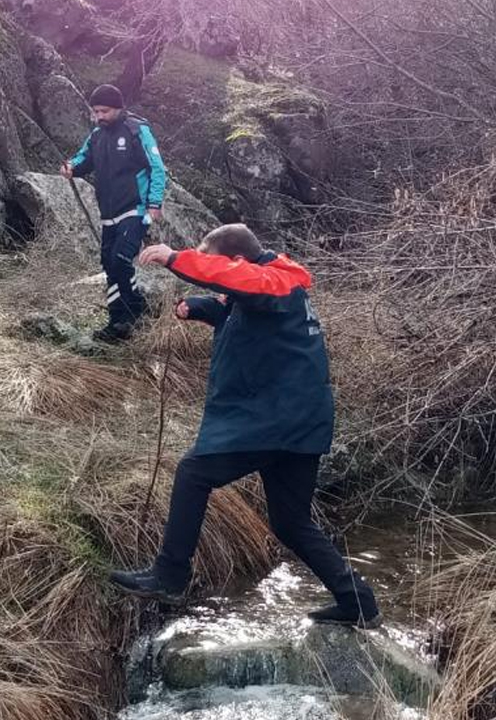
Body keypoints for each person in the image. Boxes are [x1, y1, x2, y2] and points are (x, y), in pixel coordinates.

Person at [108, 223, 382, 629]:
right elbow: (239, 307)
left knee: (193, 473)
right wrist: (199, 308)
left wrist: (174, 259)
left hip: (276, 421)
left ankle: (170, 576)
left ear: (236, 260)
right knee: (291, 523)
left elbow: (244, 286)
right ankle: (357, 601)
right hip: (298, 422)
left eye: (215, 264)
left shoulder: (275, 282)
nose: (214, 273)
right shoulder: (275, 287)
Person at [60, 83, 167, 343]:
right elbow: (83, 159)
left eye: (104, 111)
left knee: (120, 259)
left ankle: (131, 315)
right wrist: (71, 167)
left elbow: (157, 168)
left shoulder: (137, 130)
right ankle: (118, 319)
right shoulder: (97, 135)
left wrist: (154, 204)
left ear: (118, 108)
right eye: (96, 111)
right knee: (109, 265)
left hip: (136, 210)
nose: (99, 116)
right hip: (108, 213)